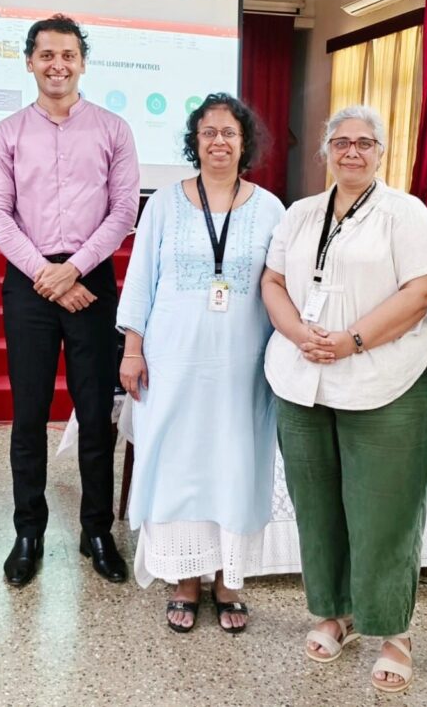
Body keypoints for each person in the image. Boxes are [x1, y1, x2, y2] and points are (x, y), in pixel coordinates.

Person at [260, 105, 427, 693]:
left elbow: (425, 289)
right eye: (341, 142)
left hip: (387, 376)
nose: (352, 152)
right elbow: (272, 280)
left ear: (381, 152)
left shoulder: (406, 213)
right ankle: (333, 612)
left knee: (385, 509)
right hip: (303, 376)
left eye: (365, 143)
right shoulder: (300, 213)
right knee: (316, 504)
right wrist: (299, 333)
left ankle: (393, 631)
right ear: (325, 151)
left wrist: (353, 340)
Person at [0, 14, 139, 587]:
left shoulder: (114, 130)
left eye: (68, 55)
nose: (58, 65)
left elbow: (124, 210)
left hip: (91, 280)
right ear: (29, 62)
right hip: (29, 285)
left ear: (82, 63)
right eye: (47, 55)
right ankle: (28, 532)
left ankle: (96, 531)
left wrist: (73, 270)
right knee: (28, 414)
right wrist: (47, 275)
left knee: (95, 412)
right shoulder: (7, 134)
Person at [117, 93, 283, 633]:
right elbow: (140, 278)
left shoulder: (270, 208)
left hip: (242, 365)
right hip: (173, 361)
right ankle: (184, 578)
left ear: (245, 142)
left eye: (229, 133)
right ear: (195, 141)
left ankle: (228, 580)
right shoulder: (165, 203)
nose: (218, 141)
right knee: (179, 462)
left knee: (235, 462)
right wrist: (133, 349)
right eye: (208, 132)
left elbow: (281, 285)